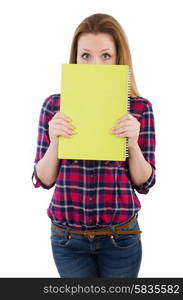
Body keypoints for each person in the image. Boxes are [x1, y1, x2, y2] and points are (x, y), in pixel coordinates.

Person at [32, 13, 156, 278]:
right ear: (75, 58)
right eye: (86, 55)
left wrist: (132, 145)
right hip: (67, 240)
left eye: (106, 56)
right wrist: (55, 142)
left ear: (119, 58)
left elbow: (144, 183)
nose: (95, 64)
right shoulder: (54, 106)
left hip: (120, 238)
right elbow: (43, 179)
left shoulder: (139, 109)